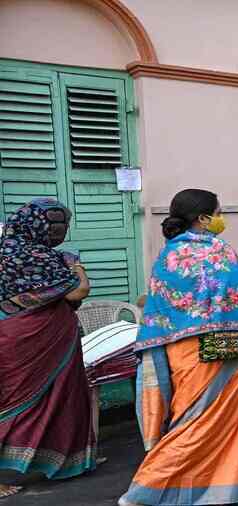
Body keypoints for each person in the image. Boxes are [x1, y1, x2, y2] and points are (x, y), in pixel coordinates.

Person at [119, 189, 238, 506]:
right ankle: (146, 488)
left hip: (179, 352)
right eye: (219, 212)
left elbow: (155, 303)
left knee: (196, 417)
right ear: (203, 218)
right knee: (199, 424)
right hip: (224, 351)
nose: (221, 218)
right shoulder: (219, 252)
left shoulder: (167, 255)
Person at [0, 198, 94, 499]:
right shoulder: (44, 257)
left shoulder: (4, 251)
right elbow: (78, 292)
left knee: (53, 399)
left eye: (63, 225)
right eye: (54, 225)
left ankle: (69, 461)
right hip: (34, 339)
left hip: (19, 337)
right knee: (18, 406)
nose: (60, 231)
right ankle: (68, 461)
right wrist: (78, 268)